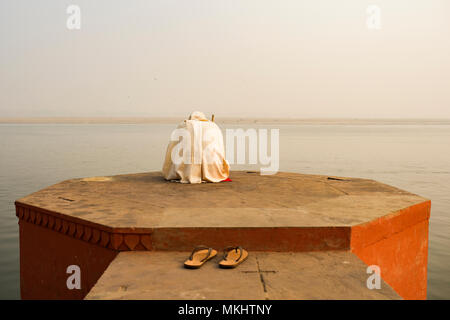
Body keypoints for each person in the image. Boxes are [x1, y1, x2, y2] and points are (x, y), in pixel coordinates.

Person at [162, 111, 230, 184]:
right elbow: (220, 148)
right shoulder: (213, 126)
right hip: (212, 168)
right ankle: (207, 172)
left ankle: (187, 172)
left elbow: (172, 148)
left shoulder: (183, 125)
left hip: (186, 167)